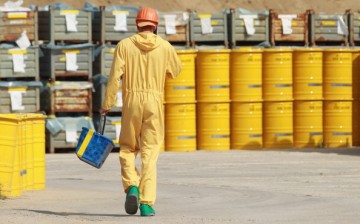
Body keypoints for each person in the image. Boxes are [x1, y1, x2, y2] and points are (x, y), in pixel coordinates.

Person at [100, 7, 182, 216]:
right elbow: (175, 71)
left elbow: (114, 78)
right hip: (154, 101)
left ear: (137, 24)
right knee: (150, 153)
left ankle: (132, 186)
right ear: (155, 26)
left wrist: (107, 103)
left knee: (128, 147)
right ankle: (146, 203)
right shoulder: (165, 46)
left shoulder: (124, 46)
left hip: (131, 101)